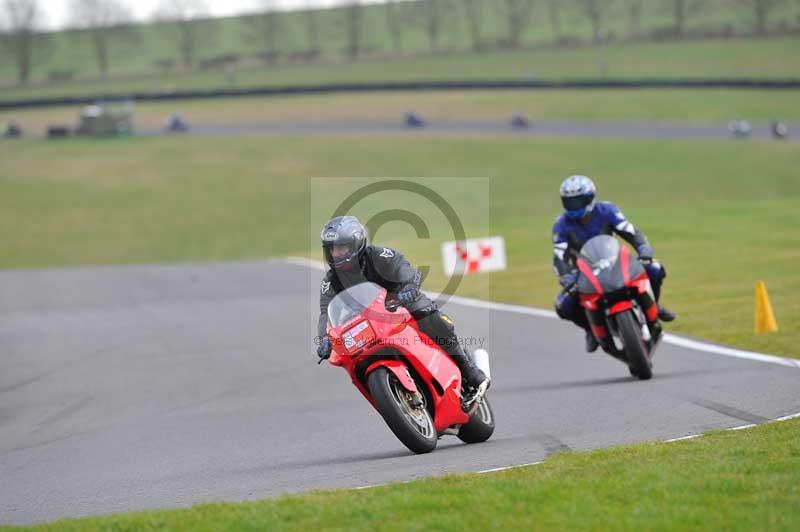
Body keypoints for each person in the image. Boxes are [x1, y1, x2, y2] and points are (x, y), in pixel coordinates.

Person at [315, 215, 489, 389]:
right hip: (368, 323)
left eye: (341, 248)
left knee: (427, 314)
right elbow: (326, 312)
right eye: (331, 249)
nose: (335, 254)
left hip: (400, 303)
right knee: (351, 354)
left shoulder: (379, 256)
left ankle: (469, 369)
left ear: (356, 244)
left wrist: (409, 286)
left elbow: (403, 269)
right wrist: (324, 338)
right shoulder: (331, 281)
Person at [552, 175, 676, 352]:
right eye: (570, 202)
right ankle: (590, 329)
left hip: (615, 261)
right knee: (563, 305)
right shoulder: (561, 225)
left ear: (590, 198)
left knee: (654, 268)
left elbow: (630, 231)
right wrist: (566, 277)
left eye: (579, 200)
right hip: (585, 272)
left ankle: (654, 307)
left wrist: (644, 249)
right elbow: (558, 256)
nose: (575, 206)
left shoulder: (607, 210)